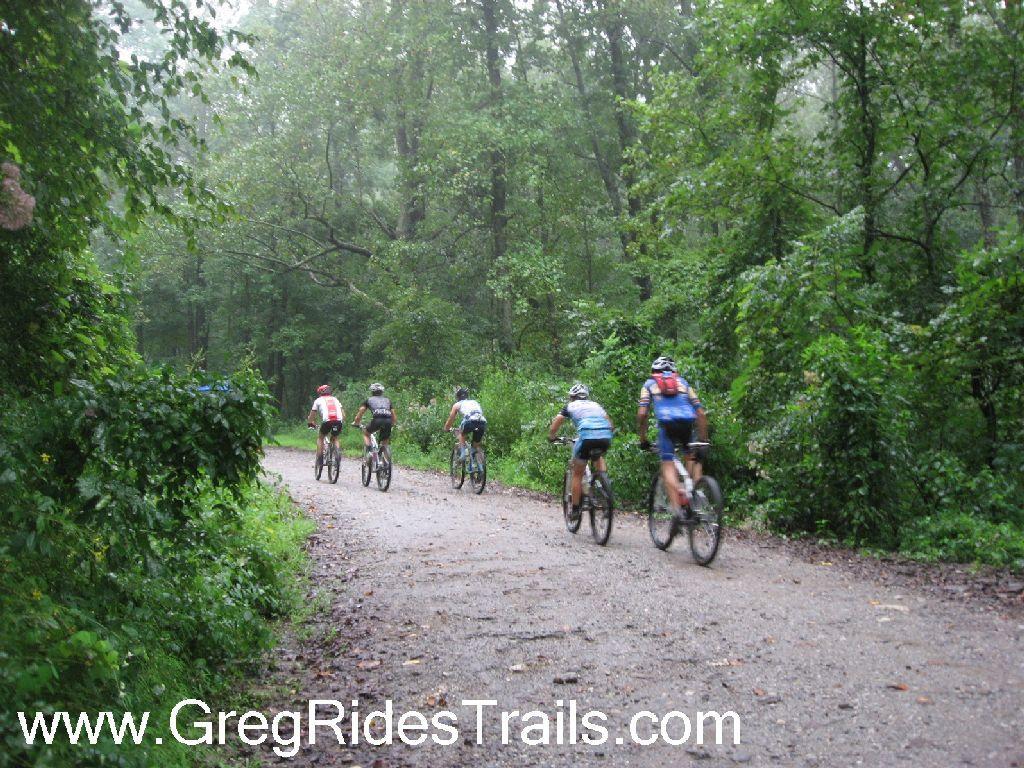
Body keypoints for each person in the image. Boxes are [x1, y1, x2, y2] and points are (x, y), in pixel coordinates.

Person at [636, 356, 708, 514]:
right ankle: (693, 496)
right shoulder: (683, 383)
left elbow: (642, 414)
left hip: (667, 426)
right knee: (692, 456)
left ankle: (677, 511)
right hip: (687, 425)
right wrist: (704, 439)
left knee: (667, 464)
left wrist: (643, 438)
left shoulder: (649, 384)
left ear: (653, 371)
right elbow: (701, 413)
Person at [547, 383, 614, 523]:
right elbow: (610, 424)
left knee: (577, 473)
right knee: (598, 456)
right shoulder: (596, 405)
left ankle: (576, 509)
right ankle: (604, 485)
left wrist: (552, 436)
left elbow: (557, 421)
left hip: (586, 438)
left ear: (572, 397)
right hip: (605, 436)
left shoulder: (570, 406)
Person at [351, 382, 397, 460]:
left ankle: (369, 452)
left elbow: (361, 410)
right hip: (388, 420)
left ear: (372, 392)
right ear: (382, 392)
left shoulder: (369, 400)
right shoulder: (387, 400)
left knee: (366, 433)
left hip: (377, 420)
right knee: (385, 442)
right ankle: (385, 463)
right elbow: (393, 415)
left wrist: (356, 422)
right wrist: (392, 424)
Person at [443, 387, 487, 463]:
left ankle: (463, 454)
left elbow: (451, 418)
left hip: (470, 421)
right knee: (476, 445)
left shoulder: (457, 404)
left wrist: (446, 428)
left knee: (461, 433)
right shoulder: (475, 402)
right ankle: (479, 467)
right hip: (482, 422)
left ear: (458, 397)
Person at [307, 385, 345, 463]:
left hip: (327, 421)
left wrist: (310, 423)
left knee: (321, 438)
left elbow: (312, 415)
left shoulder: (318, 400)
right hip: (338, 421)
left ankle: (320, 458)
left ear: (320, 393)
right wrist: (340, 421)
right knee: (335, 438)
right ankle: (337, 456)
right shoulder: (335, 399)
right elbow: (343, 415)